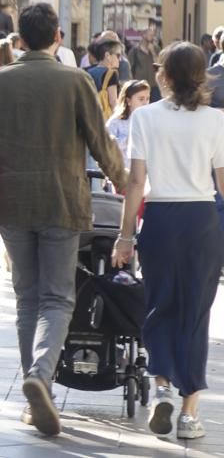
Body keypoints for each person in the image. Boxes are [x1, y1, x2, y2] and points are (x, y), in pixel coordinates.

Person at [0, 3, 126, 437]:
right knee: (58, 298)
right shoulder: (75, 80)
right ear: (58, 36)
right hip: (63, 200)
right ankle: (40, 377)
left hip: (13, 202)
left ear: (20, 39)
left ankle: (33, 393)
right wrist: (123, 183)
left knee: (26, 297)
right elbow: (99, 141)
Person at [112, 42, 224, 441]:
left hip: (159, 218)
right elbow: (223, 185)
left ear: (163, 76)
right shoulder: (216, 121)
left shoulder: (144, 117)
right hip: (201, 221)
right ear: (200, 76)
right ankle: (190, 413)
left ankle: (160, 385)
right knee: (195, 313)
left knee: (158, 305)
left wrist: (125, 237)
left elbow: (136, 183)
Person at [106, 80, 150, 156]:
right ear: (128, 100)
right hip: (123, 166)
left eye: (147, 99)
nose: (145, 103)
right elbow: (107, 147)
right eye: (141, 99)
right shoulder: (115, 122)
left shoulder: (149, 121)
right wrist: (127, 140)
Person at [85, 39, 123, 118]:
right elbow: (113, 102)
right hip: (103, 119)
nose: (120, 59)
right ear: (107, 56)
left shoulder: (86, 71)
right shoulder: (111, 74)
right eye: (118, 55)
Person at [128, 24, 160, 97]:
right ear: (143, 34)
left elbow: (159, 66)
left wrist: (153, 53)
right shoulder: (134, 51)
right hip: (139, 87)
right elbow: (129, 69)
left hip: (154, 87)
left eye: (153, 31)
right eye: (150, 31)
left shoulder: (157, 49)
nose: (152, 33)